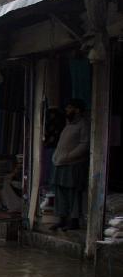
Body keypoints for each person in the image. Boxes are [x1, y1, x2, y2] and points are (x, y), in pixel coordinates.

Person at [50, 99, 89, 231]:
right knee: (61, 193)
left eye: (70, 108)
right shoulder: (68, 125)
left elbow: (84, 145)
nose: (67, 110)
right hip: (60, 164)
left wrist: (68, 156)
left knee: (73, 193)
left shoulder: (83, 125)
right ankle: (62, 219)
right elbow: (61, 144)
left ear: (77, 110)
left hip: (73, 165)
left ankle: (74, 220)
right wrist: (56, 156)